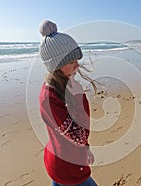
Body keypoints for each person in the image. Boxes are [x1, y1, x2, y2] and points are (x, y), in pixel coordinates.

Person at [38, 20, 97, 186]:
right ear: (56, 65)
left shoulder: (65, 86)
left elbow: (78, 137)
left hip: (71, 161)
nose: (77, 65)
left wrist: (86, 148)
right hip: (65, 168)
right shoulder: (49, 98)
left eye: (77, 60)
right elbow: (78, 136)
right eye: (71, 61)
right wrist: (80, 98)